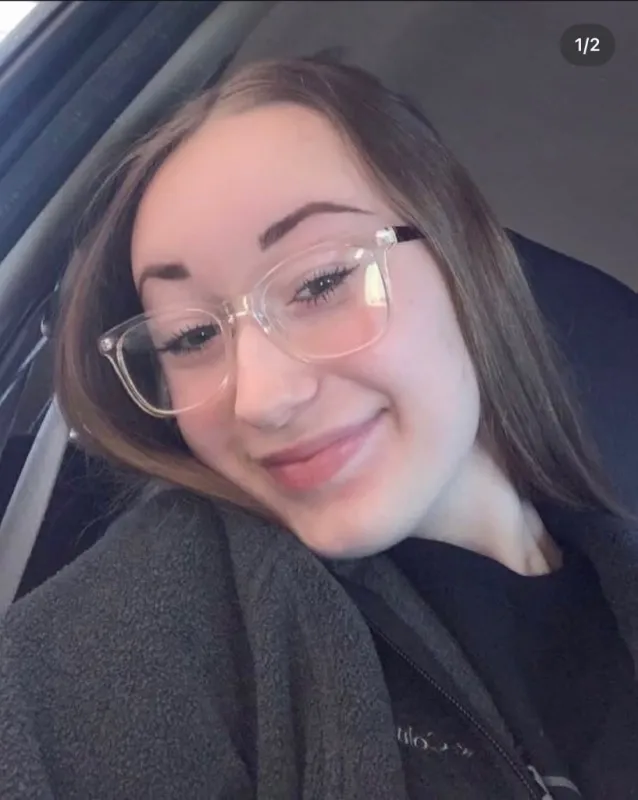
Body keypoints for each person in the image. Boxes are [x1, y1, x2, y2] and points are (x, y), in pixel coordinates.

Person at [1, 57, 637, 800]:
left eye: (320, 281)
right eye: (190, 337)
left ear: (465, 253)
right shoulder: (170, 616)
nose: (261, 399)